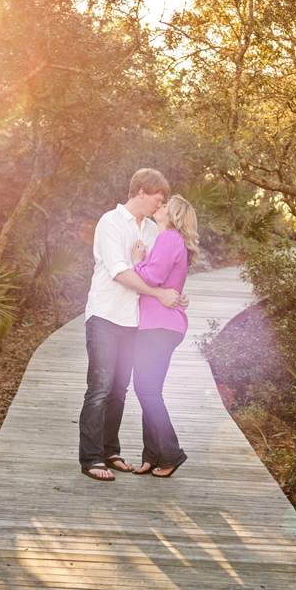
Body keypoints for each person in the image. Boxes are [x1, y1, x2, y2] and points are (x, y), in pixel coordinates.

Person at [79, 169, 186, 481]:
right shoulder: (110, 222)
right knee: (99, 389)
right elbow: (121, 272)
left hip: (135, 322)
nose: (160, 203)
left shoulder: (153, 229)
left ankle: (110, 451)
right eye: (159, 198)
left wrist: (177, 294)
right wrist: (158, 294)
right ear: (142, 191)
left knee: (118, 391)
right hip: (105, 315)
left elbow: (156, 271)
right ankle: (91, 458)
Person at [131, 194, 199, 478]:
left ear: (174, 215)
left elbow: (152, 277)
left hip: (159, 326)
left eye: (166, 204)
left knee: (145, 390)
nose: (160, 205)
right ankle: (152, 455)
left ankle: (171, 454)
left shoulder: (169, 238)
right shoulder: (169, 240)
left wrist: (137, 261)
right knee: (150, 390)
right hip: (161, 325)